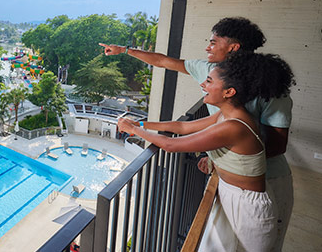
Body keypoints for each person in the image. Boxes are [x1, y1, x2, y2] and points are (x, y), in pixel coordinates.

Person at [100, 17, 293, 250]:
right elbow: (180, 119)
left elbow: (275, 145)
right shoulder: (222, 102)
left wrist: (218, 155)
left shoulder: (251, 105)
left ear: (233, 48)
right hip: (227, 181)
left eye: (213, 42)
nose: (207, 48)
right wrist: (125, 52)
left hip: (263, 183)